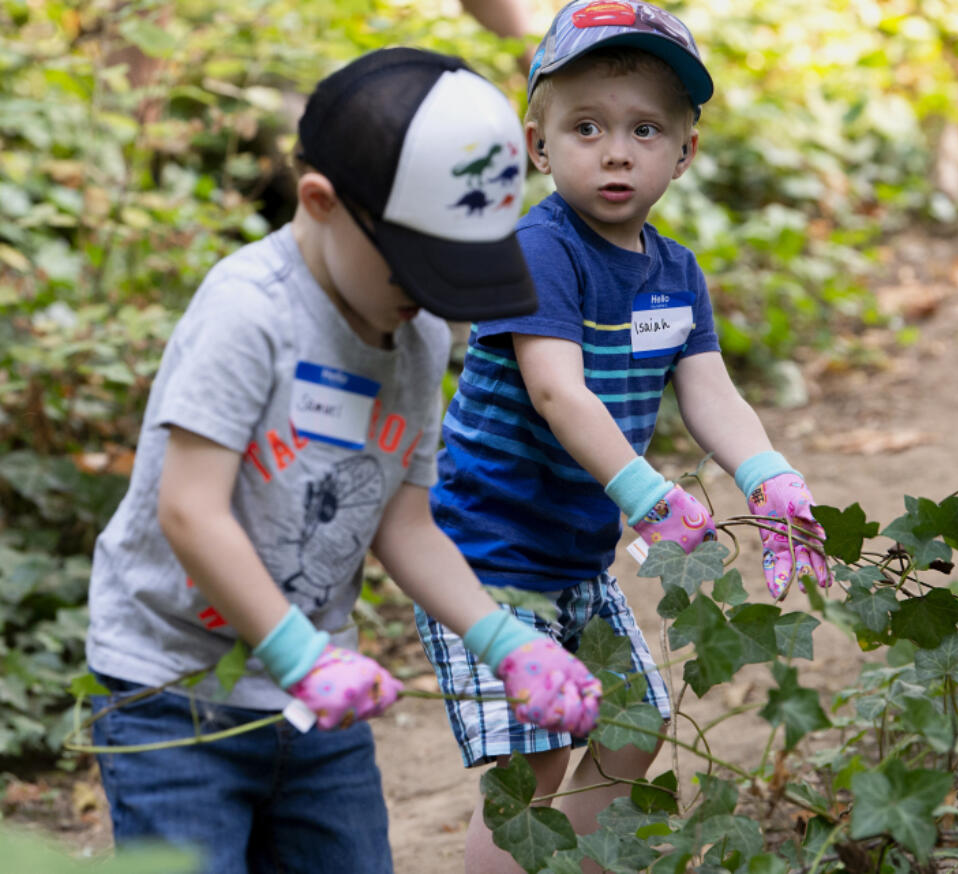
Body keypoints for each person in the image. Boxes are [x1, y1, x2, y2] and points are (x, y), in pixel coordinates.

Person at [84, 47, 600, 874]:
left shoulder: (420, 334)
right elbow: (189, 509)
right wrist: (298, 656)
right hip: (176, 694)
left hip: (321, 697)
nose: (429, 295)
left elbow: (405, 522)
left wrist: (506, 642)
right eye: (417, 266)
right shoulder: (250, 314)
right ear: (320, 203)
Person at [415, 3, 830, 871]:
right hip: (483, 556)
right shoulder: (540, 248)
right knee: (532, 764)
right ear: (538, 144)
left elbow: (708, 390)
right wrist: (646, 496)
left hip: (573, 558)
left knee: (631, 727)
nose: (615, 150)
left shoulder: (676, 272)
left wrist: (769, 477)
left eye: (645, 129)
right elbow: (557, 391)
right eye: (587, 127)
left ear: (685, 153)